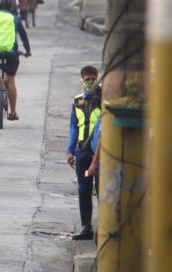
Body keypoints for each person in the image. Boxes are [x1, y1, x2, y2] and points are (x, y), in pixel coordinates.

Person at [66, 66, 101, 241]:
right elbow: (73, 127)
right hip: (83, 153)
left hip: (100, 153)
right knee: (83, 189)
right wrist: (70, 151)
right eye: (87, 79)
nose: (90, 82)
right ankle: (87, 226)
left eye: (93, 79)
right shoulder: (77, 101)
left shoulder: (103, 100)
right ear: (81, 80)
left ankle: (105, 226)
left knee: (102, 189)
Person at [0, 0, 31, 121]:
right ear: (11, 7)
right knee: (11, 81)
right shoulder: (14, 18)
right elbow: (23, 36)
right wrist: (27, 51)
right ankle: (13, 112)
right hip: (11, 53)